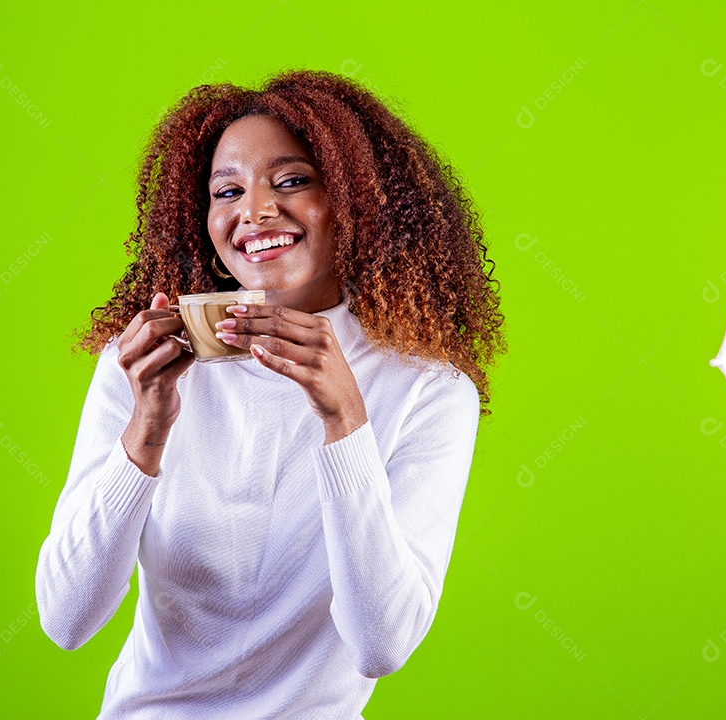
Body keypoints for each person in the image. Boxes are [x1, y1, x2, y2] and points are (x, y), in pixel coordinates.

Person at [35, 69, 506, 719]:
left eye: (291, 181)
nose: (253, 211)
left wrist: (345, 419)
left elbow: (381, 644)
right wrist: (146, 429)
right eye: (227, 190)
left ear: (353, 199)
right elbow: (66, 620)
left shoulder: (427, 390)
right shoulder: (146, 363)